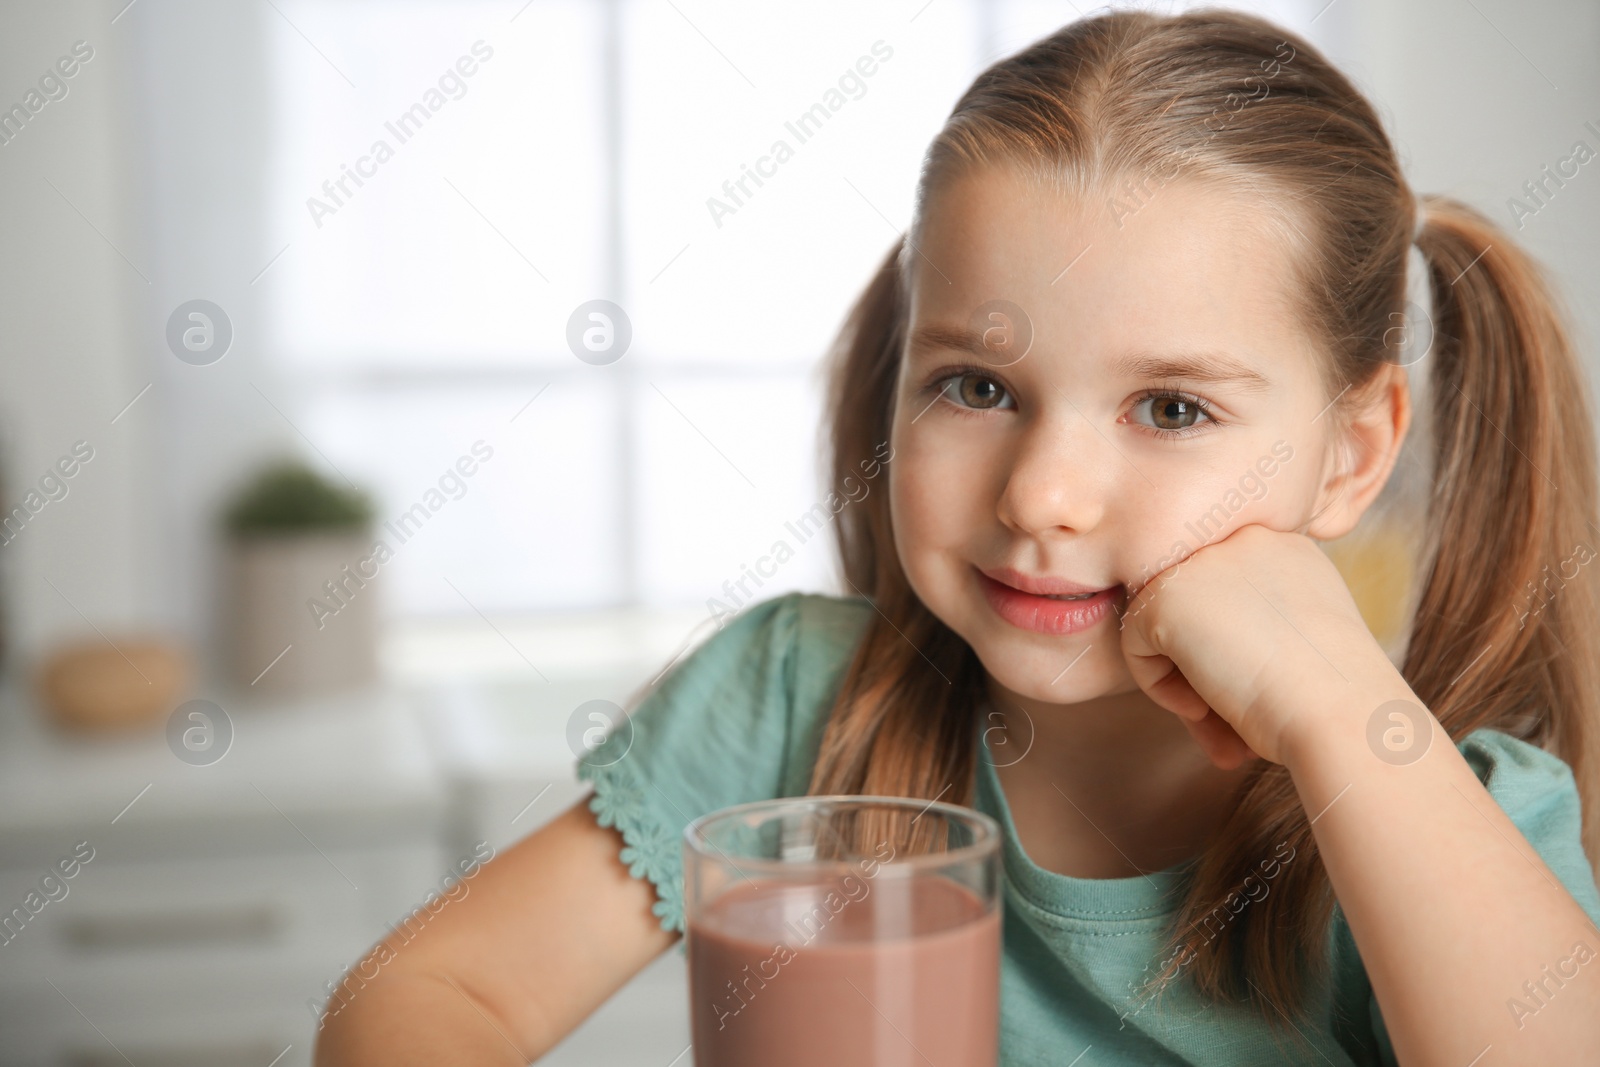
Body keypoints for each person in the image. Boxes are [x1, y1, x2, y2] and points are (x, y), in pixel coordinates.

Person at [314, 9, 1600, 1064]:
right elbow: (428, 990)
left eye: (1169, 408)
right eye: (977, 387)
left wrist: (1334, 709)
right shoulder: (797, 707)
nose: (1042, 493)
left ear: (1354, 451)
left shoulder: (1436, 812)